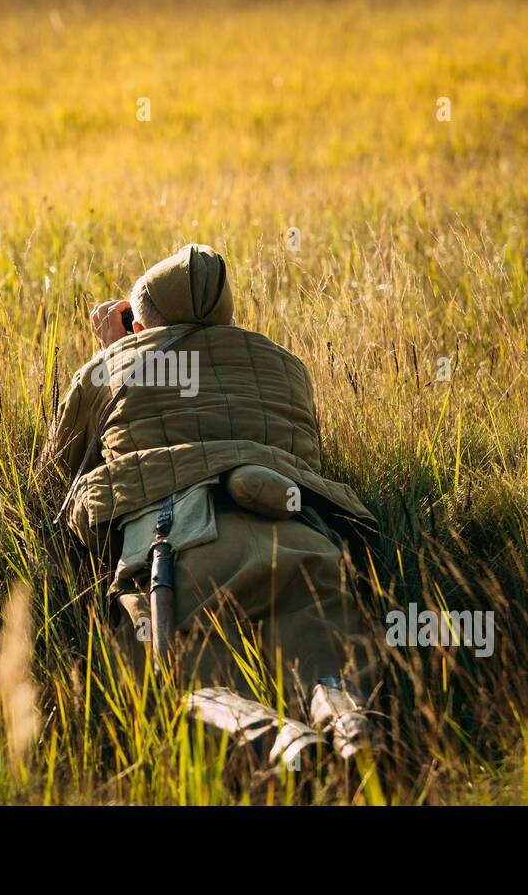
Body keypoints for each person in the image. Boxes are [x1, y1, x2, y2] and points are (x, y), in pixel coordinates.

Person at [43, 244, 379, 766]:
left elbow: (54, 470)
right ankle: (351, 728)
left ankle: (284, 749)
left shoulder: (109, 367)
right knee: (327, 659)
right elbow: (310, 457)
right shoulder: (287, 366)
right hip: (297, 534)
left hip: (177, 549)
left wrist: (112, 349)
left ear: (139, 319)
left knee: (177, 681)